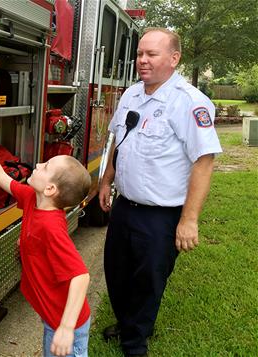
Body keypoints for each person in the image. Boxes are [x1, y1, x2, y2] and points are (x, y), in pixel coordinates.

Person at [98, 28, 222, 356]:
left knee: (148, 281)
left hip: (161, 215)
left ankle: (135, 343)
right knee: (116, 271)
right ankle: (128, 323)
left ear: (174, 58)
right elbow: (117, 142)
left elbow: (204, 162)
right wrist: (105, 180)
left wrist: (189, 220)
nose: (142, 60)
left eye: (151, 54)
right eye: (140, 53)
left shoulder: (190, 102)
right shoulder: (131, 95)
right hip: (125, 206)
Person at [0, 119, 92, 357]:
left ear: (51, 189)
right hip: (53, 317)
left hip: (66, 324)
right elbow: (1, 177)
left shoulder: (52, 228)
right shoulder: (34, 198)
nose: (39, 163)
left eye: (45, 167)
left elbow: (81, 277)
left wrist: (65, 328)